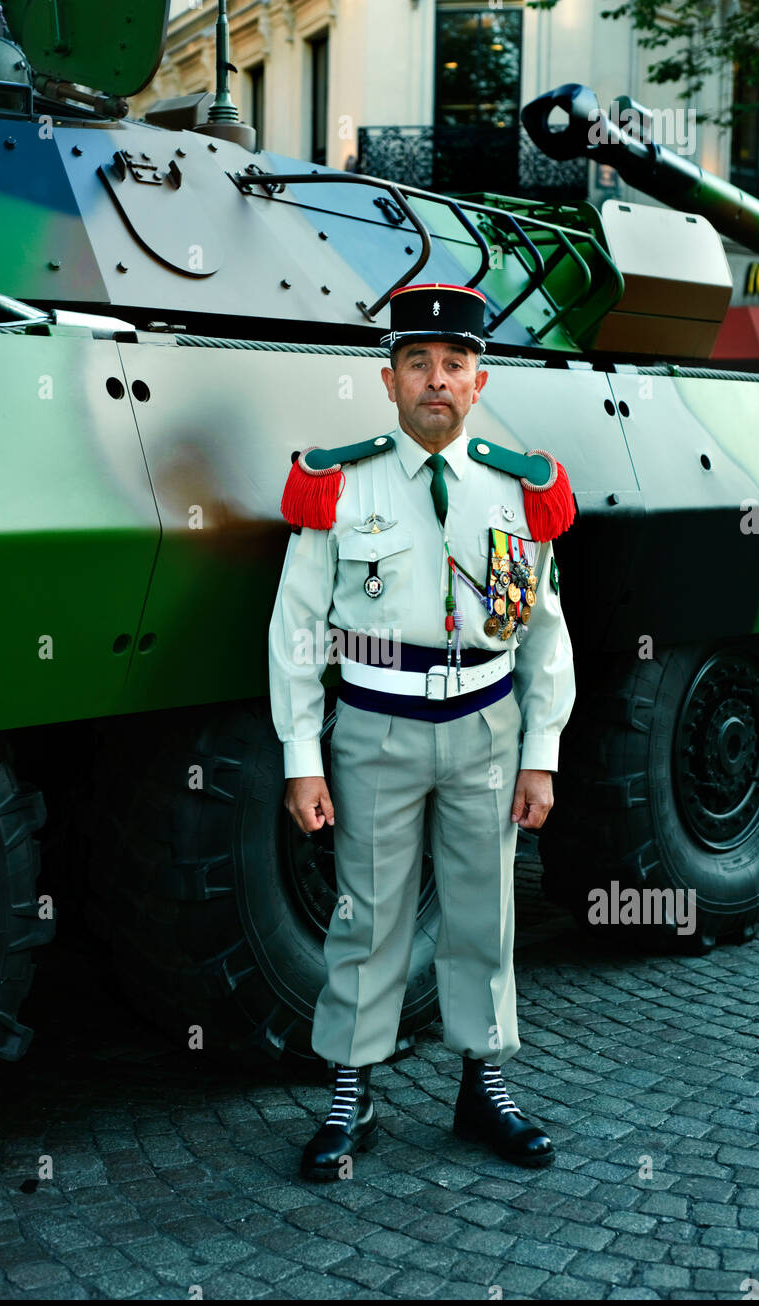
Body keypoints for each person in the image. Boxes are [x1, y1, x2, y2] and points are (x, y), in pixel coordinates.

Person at [268, 283, 576, 1180]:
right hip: (375, 726)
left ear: (478, 381)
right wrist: (301, 759)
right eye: (416, 364)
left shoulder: (522, 491)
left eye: (453, 365)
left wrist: (541, 757)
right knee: (367, 916)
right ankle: (349, 1091)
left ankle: (484, 1086)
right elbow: (295, 631)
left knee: (486, 910)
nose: (434, 381)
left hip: (486, 722)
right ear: (388, 380)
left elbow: (546, 630)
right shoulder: (339, 483)